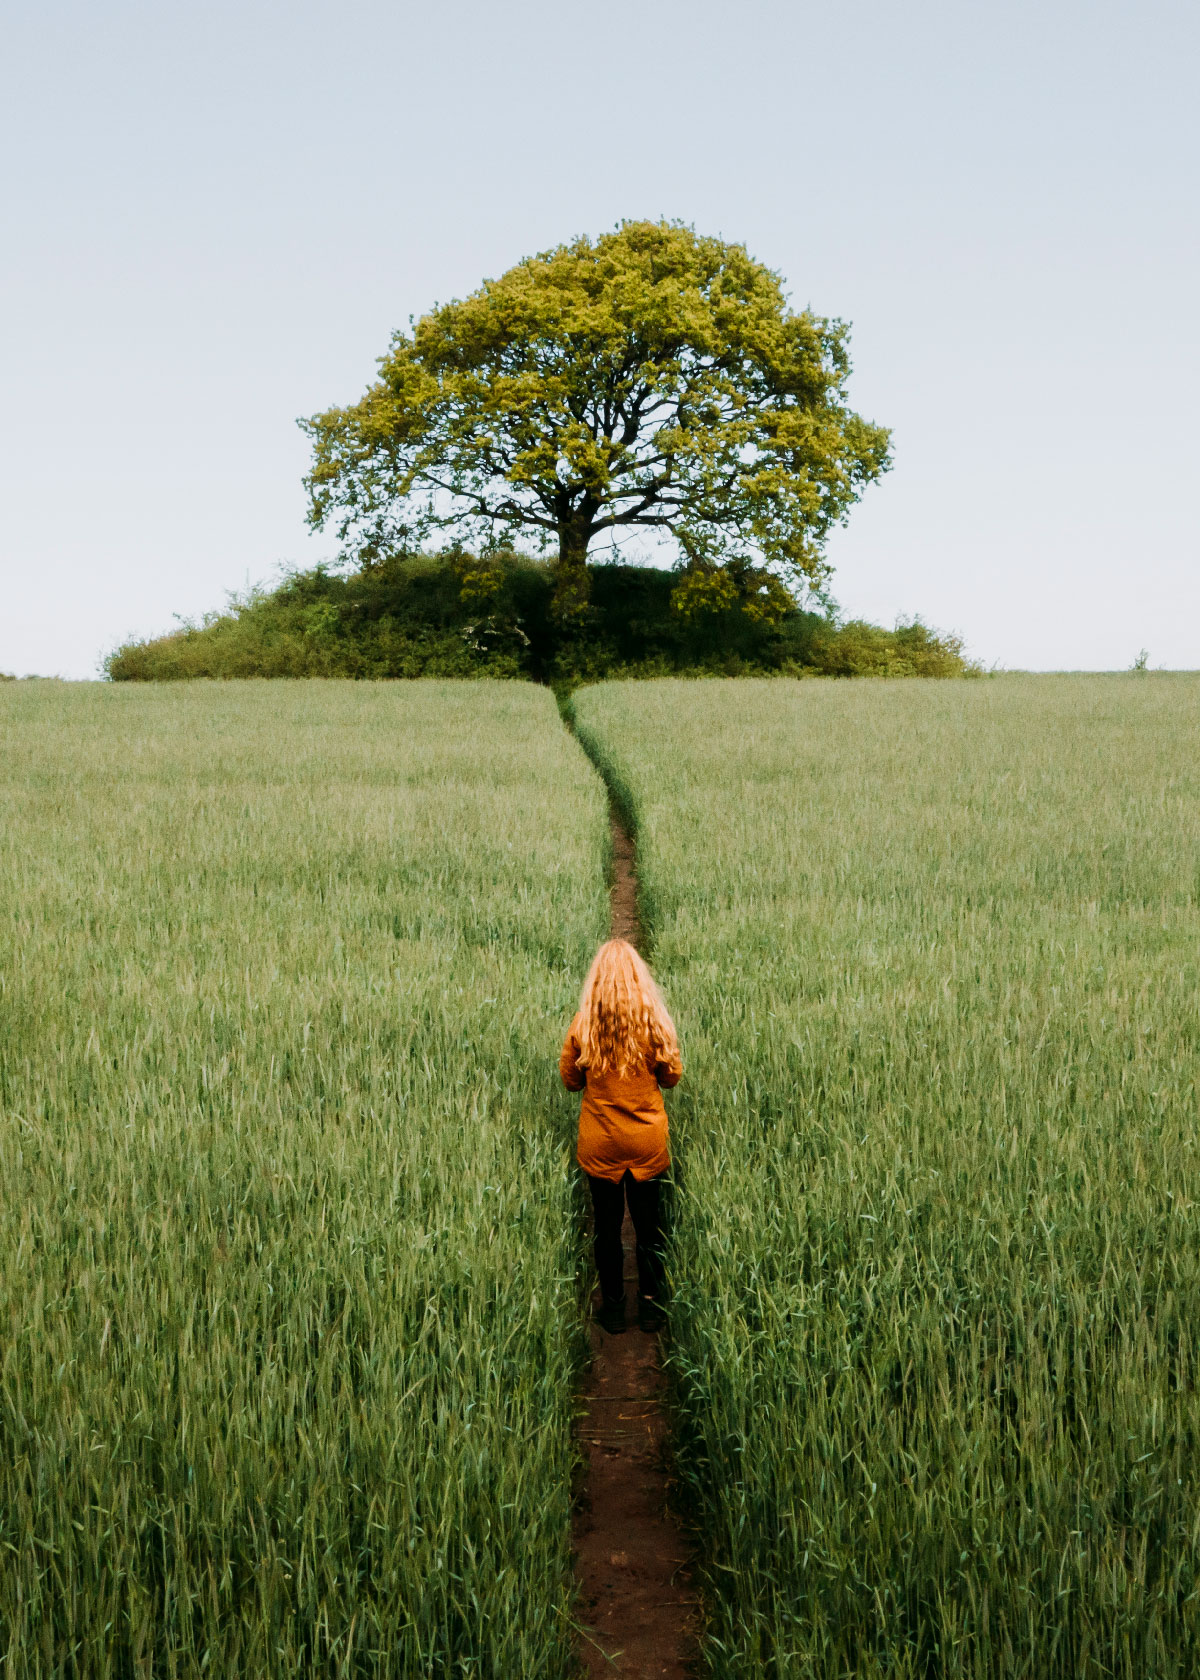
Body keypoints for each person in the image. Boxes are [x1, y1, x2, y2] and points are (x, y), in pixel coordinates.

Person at [559, 938, 682, 1334]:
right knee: (649, 1227)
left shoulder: (583, 1024)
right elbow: (673, 1076)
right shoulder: (654, 1022)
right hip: (646, 1142)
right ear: (637, 977)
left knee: (607, 1229)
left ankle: (613, 1309)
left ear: (597, 980)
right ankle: (651, 1308)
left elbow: (570, 1080)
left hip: (602, 1143)